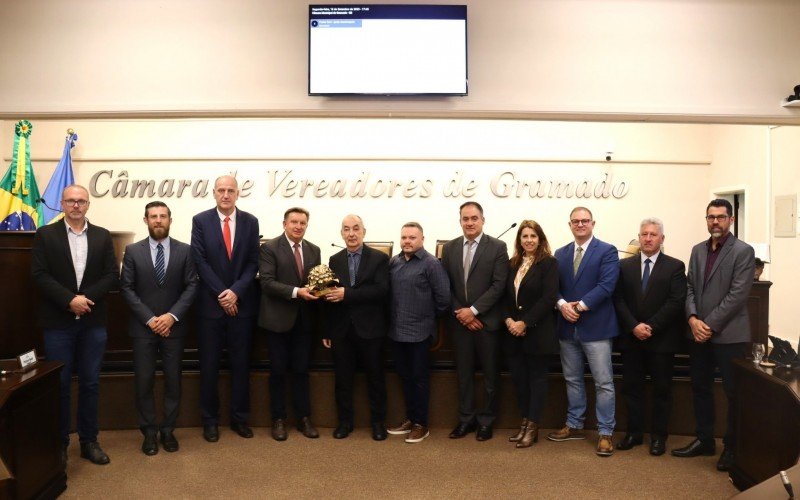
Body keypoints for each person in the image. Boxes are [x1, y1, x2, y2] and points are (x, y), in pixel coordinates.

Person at [31, 184, 117, 465]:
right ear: (62, 204)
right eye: (70, 201)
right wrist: (69, 300)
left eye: (81, 201)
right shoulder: (46, 235)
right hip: (58, 322)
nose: (76, 205)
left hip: (93, 322)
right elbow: (40, 275)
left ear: (88, 204)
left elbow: (110, 275)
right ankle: (60, 444)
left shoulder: (103, 236)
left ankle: (89, 441)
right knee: (60, 384)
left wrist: (85, 299)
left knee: (91, 383)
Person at [672, 199, 754, 472]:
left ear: (730, 220)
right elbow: (690, 288)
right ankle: (705, 439)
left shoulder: (743, 251)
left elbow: (738, 295)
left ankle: (732, 447)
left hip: (730, 336)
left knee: (734, 393)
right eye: (711, 217)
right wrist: (693, 319)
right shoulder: (697, 250)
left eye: (720, 217)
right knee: (701, 388)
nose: (715, 222)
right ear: (706, 220)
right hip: (698, 335)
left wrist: (708, 325)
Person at [120, 201, 198, 455]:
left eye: (163, 216)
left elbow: (191, 286)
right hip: (144, 329)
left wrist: (171, 317)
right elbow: (127, 288)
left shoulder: (186, 251)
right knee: (144, 381)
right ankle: (149, 432)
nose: (158, 220)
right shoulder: (132, 251)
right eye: (153, 216)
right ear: (146, 220)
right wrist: (151, 319)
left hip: (174, 328)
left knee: (173, 381)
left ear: (170, 220)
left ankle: (168, 430)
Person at [191, 175, 260, 442]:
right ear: (214, 193)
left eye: (230, 190)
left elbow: (253, 262)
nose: (226, 195)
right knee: (209, 367)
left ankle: (240, 418)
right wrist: (223, 294)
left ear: (238, 193)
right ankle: (210, 421)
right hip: (211, 308)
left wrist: (235, 292)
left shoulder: (250, 221)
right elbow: (200, 261)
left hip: (242, 306)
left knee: (241, 366)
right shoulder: (201, 221)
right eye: (221, 190)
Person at [547, 206, 619, 457]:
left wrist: (581, 306)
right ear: (569, 225)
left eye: (584, 221)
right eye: (575, 221)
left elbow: (607, 285)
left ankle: (605, 432)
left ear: (593, 223)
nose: (580, 224)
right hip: (567, 327)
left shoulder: (607, 250)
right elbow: (552, 287)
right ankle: (575, 424)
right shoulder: (560, 253)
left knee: (604, 382)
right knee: (572, 379)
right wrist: (562, 305)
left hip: (596, 327)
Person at [613, 217, 686, 456]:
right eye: (644, 234)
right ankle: (634, 433)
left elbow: (676, 302)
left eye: (653, 234)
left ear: (662, 239)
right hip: (631, 339)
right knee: (632, 389)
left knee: (661, 391)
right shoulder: (624, 266)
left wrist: (650, 327)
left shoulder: (675, 266)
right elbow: (618, 299)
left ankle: (658, 437)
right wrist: (634, 326)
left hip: (661, 340)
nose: (647, 238)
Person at [440, 202, 508, 441]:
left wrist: (475, 311)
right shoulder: (449, 248)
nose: (470, 222)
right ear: (460, 221)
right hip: (460, 323)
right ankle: (466, 419)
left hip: (487, 323)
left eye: (474, 218)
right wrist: (463, 313)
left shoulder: (498, 247)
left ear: (483, 220)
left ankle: (486, 421)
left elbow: (499, 285)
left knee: (490, 375)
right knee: (464, 375)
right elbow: (445, 285)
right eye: (465, 218)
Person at [322, 215, 389, 441]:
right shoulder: (334, 259)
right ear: (341, 233)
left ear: (364, 232)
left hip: (371, 329)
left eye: (356, 229)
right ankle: (344, 423)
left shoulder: (379, 258)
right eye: (347, 229)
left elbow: (381, 292)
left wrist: (347, 294)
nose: (351, 233)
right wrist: (327, 330)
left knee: (376, 379)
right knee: (342, 380)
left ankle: (378, 424)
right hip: (342, 330)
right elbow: (329, 297)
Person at [258, 207, 321, 441]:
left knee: (301, 372)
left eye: (302, 223)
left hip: (305, 323)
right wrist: (297, 292)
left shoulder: (314, 250)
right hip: (277, 321)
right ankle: (278, 419)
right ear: (284, 223)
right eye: (293, 222)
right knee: (278, 372)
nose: (298, 226)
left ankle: (304, 418)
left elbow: (316, 283)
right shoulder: (269, 248)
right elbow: (266, 282)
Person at [386, 222, 450, 444]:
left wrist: (427, 321)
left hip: (420, 334)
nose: (407, 241)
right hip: (396, 332)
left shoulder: (431, 264)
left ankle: (421, 424)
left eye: (412, 237)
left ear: (422, 239)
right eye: (404, 237)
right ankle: (410, 418)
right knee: (405, 378)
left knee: (419, 380)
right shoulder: (394, 262)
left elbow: (443, 299)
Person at [502, 220, 559, 448]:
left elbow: (548, 298)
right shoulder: (512, 263)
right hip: (513, 334)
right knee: (520, 381)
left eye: (533, 236)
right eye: (524, 236)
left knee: (536, 380)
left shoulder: (549, 264)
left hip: (537, 332)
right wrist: (508, 319)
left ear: (540, 239)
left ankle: (533, 427)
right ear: (519, 240)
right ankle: (524, 422)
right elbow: (504, 296)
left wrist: (524, 322)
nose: (528, 240)